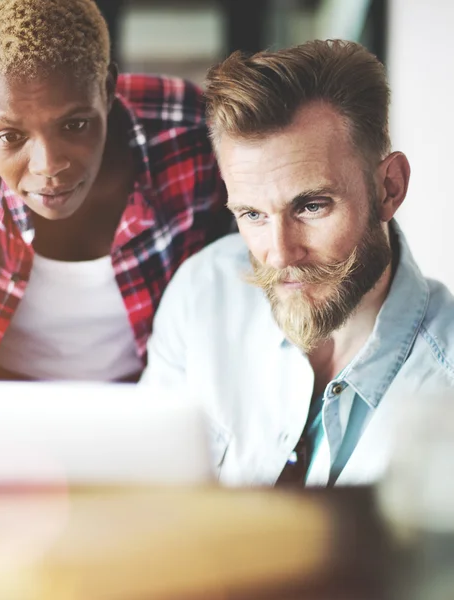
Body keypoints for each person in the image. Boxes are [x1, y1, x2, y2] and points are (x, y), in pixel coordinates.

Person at [0, 0, 231, 381]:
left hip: (145, 398)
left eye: (74, 126)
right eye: (10, 136)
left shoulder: (194, 132)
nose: (49, 165)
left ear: (107, 90)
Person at [140, 40, 454, 487]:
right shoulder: (201, 294)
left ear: (389, 188)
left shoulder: (446, 393)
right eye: (252, 215)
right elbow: (148, 490)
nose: (280, 253)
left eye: (311, 207)